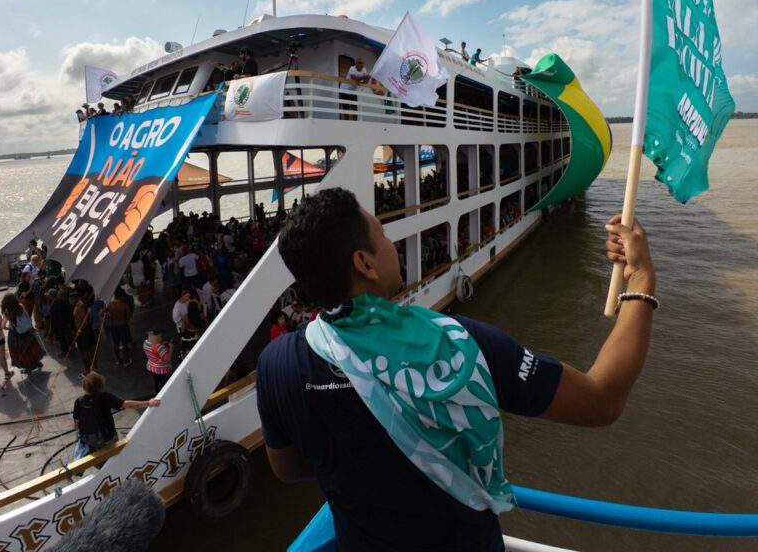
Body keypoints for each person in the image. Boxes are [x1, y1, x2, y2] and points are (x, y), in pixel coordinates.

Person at [257, 188, 657, 552]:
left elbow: (289, 468)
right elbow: (602, 401)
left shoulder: (276, 366)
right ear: (365, 264)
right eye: (381, 235)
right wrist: (641, 279)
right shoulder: (462, 347)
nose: (390, 242)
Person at [72, 372, 159, 459]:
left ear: (85, 386)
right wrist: (148, 403)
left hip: (89, 441)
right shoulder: (105, 397)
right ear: (100, 384)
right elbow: (127, 404)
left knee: (99, 461)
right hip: (107, 437)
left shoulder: (79, 401)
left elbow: (76, 424)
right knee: (113, 458)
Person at [1, 294, 45, 374]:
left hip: (16, 335)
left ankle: (28, 368)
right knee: (31, 348)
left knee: (22, 352)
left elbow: (3, 326)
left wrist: (10, 327)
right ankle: (37, 362)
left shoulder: (7, 312)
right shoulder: (20, 306)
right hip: (26, 332)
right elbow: (26, 317)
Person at [107, 289, 133, 366]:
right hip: (123, 326)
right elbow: (129, 317)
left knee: (116, 344)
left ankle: (118, 360)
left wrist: (110, 318)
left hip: (113, 326)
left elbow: (103, 314)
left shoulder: (110, 305)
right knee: (125, 344)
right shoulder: (124, 305)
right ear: (121, 295)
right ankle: (126, 361)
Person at [142, 329, 172, 393]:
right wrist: (171, 347)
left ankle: (158, 396)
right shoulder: (160, 347)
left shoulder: (145, 343)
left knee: (157, 383)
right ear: (154, 336)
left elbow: (152, 349)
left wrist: (161, 344)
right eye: (160, 337)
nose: (161, 339)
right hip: (163, 370)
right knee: (167, 385)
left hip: (151, 368)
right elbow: (167, 360)